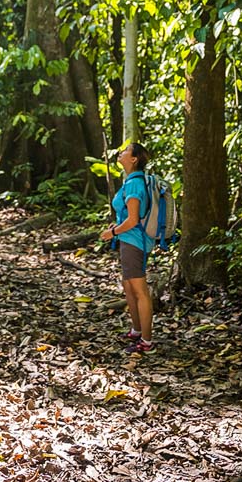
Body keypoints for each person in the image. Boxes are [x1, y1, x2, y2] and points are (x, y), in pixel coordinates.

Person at [101, 142, 155, 354]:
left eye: (125, 151)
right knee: (129, 288)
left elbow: (133, 220)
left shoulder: (134, 184)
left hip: (134, 242)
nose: (121, 153)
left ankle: (147, 342)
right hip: (129, 240)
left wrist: (112, 233)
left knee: (140, 291)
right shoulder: (132, 181)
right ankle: (136, 330)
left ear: (134, 159)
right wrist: (117, 227)